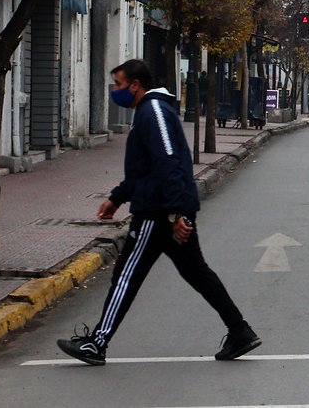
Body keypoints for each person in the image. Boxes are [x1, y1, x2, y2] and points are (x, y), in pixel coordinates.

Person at [56, 59, 261, 366]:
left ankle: (97, 343)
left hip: (158, 214)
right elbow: (144, 168)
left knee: (126, 276)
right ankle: (240, 331)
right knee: (198, 274)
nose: (115, 91)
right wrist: (117, 198)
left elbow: (168, 162)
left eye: (118, 84)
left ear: (135, 85)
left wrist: (177, 213)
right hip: (167, 209)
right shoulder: (150, 112)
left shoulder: (153, 112)